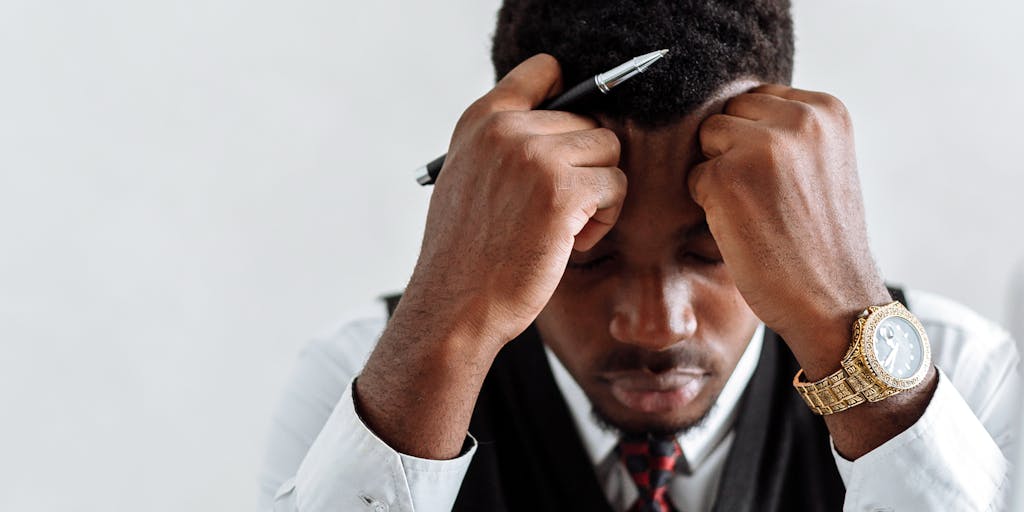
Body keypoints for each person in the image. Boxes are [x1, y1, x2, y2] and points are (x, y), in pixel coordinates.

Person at [259, 1, 1020, 510]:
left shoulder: (966, 379)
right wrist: (444, 321)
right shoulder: (361, 382)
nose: (656, 326)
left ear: (800, 202)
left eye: (717, 250)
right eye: (585, 256)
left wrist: (849, 318)